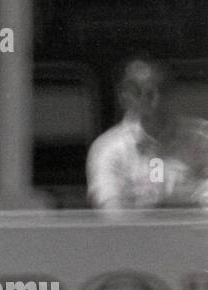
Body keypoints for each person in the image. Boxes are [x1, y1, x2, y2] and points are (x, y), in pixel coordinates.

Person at [87, 58, 208, 211]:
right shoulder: (108, 148)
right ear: (126, 97)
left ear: (172, 93)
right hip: (135, 234)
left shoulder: (202, 137)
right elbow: (113, 213)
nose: (156, 101)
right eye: (146, 93)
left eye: (162, 90)